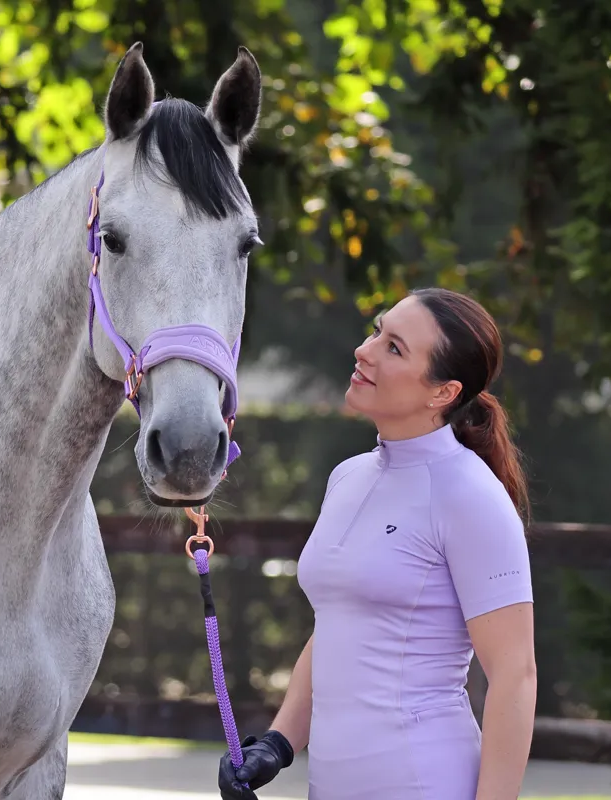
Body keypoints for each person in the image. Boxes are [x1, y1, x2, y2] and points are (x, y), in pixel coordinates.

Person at [218, 288, 537, 800]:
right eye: (377, 331)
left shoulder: (471, 495)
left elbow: (515, 675)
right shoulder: (348, 477)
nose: (364, 351)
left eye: (394, 348)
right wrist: (277, 744)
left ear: (443, 392)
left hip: (422, 781)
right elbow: (340, 625)